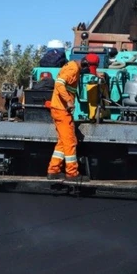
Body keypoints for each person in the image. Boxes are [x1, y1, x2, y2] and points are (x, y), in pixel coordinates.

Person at [46, 53, 100, 182]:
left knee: (62, 142)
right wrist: (69, 101)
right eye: (88, 68)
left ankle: (53, 171)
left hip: (59, 109)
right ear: (85, 64)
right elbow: (59, 84)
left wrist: (97, 75)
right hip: (62, 110)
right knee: (70, 142)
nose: (87, 71)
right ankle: (72, 173)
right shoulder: (73, 69)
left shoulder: (72, 66)